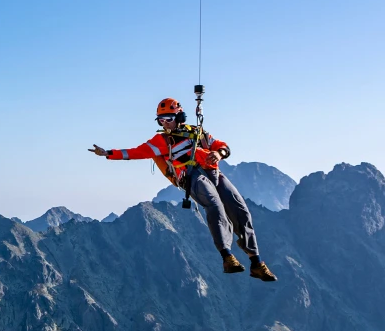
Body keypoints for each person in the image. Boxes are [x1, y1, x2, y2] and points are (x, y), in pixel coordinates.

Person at [90, 98, 277, 282]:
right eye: (161, 120)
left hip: (213, 173)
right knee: (214, 205)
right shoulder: (161, 141)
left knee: (240, 210)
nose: (165, 124)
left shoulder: (198, 132)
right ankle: (227, 256)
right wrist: (108, 153)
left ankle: (256, 262)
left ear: (180, 116)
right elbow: (135, 152)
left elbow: (223, 146)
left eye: (168, 119)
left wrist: (218, 153)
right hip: (191, 176)